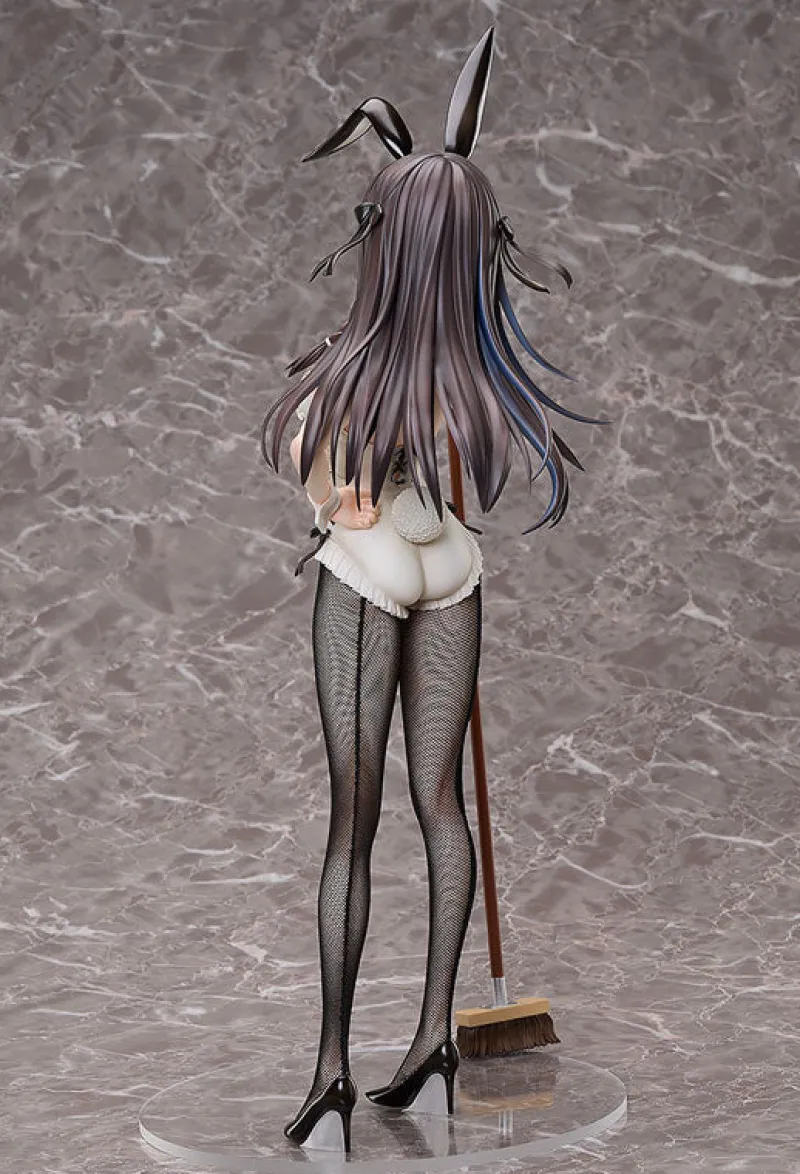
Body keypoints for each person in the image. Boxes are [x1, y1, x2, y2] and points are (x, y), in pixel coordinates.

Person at [260, 27, 608, 1155]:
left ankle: (331, 1067)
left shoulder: (354, 358)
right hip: (452, 564)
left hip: (369, 571)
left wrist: (335, 478)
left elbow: (327, 484)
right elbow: (455, 462)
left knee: (352, 825)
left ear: (388, 236)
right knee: (440, 803)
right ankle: (432, 1037)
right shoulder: (467, 358)